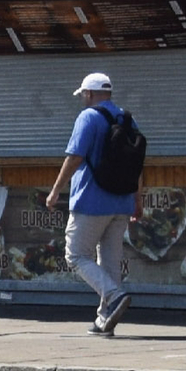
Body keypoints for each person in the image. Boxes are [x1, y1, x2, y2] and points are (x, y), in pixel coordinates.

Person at [45, 71, 136, 335]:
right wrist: (137, 199)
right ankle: (105, 320)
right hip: (122, 202)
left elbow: (74, 157)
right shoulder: (128, 119)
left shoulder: (88, 117)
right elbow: (138, 163)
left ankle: (114, 296)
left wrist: (55, 191)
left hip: (91, 201)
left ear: (89, 93)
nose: (83, 98)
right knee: (109, 262)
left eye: (83, 94)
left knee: (75, 255)